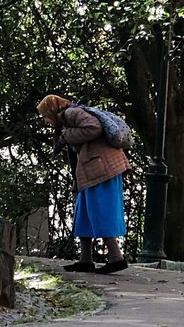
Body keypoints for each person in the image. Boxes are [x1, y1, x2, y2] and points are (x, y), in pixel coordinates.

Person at [36, 94, 130, 273]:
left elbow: (93, 127)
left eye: (45, 116)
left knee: (100, 211)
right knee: (84, 213)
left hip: (102, 169)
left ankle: (117, 257)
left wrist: (66, 135)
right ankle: (85, 259)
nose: (45, 121)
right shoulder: (67, 117)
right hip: (92, 170)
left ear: (52, 110)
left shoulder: (71, 114)